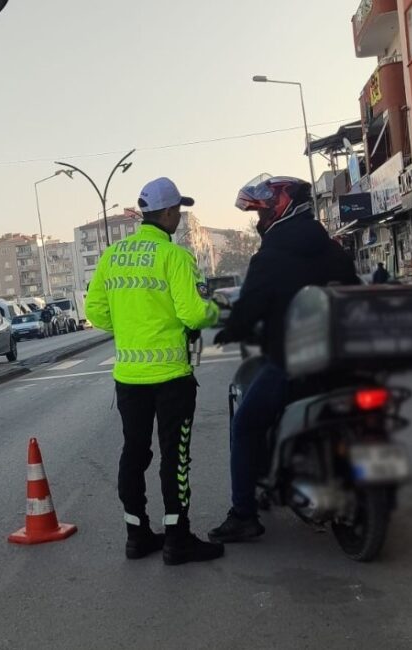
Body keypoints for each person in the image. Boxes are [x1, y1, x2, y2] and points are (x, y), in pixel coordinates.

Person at [208, 175, 359, 543]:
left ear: (280, 209)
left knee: (245, 425)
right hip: (345, 360)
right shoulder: (332, 249)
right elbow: (352, 292)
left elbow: (250, 307)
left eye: (260, 214)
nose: (258, 222)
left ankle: (243, 514)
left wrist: (231, 329)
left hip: (293, 363)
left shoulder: (270, 257)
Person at [85, 177, 225, 566]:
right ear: (167, 213)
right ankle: (177, 540)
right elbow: (193, 313)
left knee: (134, 452)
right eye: (177, 210)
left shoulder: (112, 257)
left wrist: (130, 326)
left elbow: (94, 312)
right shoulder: (174, 257)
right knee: (174, 458)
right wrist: (216, 311)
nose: (178, 217)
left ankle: (137, 535)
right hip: (170, 378)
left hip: (129, 379)